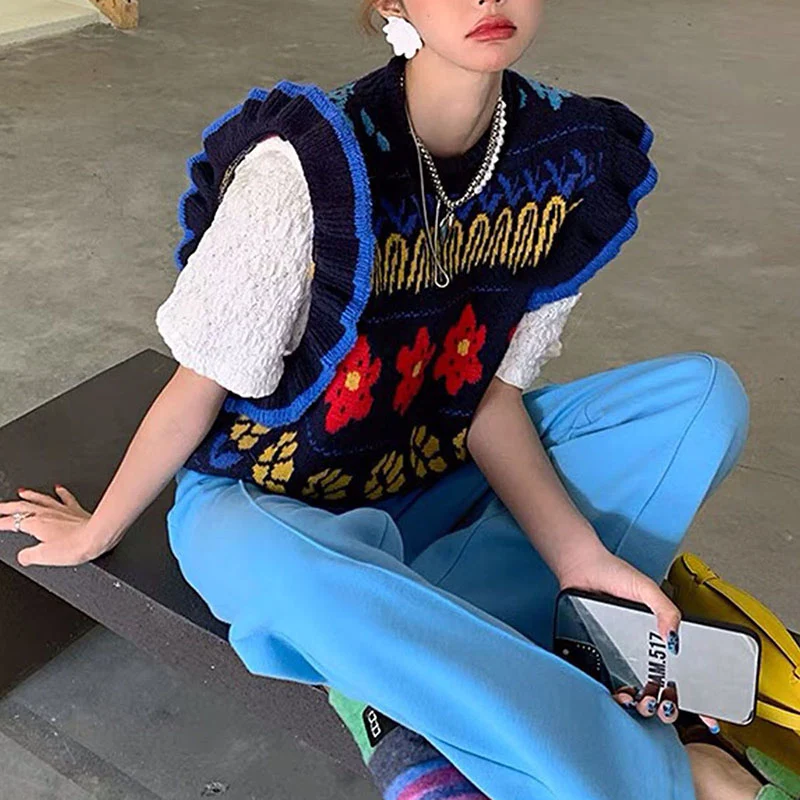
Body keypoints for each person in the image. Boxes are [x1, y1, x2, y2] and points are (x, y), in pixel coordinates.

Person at [0, 1, 769, 798]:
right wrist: (99, 528)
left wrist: (579, 557)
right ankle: (662, 772)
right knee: (294, 578)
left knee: (702, 401)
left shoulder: (564, 153)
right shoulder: (304, 165)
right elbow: (200, 386)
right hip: (270, 498)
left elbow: (490, 398)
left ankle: (410, 642)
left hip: (434, 475)